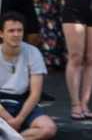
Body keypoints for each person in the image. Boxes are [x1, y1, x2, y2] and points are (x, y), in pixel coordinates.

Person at [0, 12, 57, 140]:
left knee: (48, 129)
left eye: (19, 30)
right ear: (1, 33)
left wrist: (19, 120)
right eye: (11, 31)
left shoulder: (33, 52)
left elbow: (35, 94)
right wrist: (9, 119)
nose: (16, 34)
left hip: (23, 102)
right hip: (1, 104)